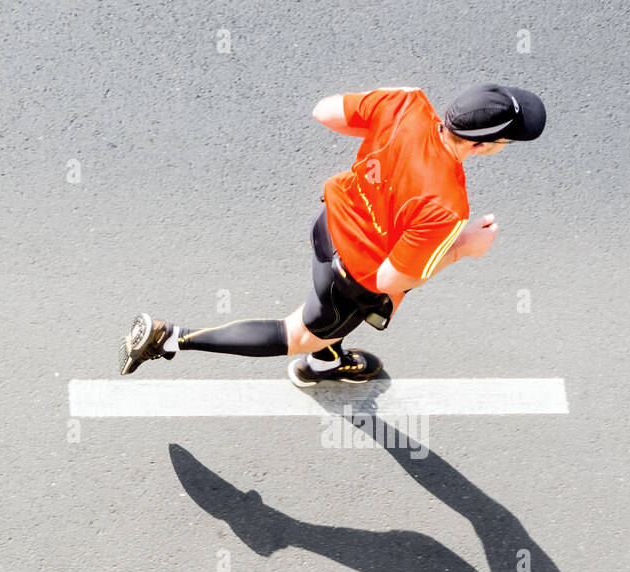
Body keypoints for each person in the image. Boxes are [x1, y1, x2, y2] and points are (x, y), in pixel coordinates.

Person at [118, 83, 546, 386]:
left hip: (329, 226)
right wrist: (465, 248)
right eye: (506, 142)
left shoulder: (406, 103)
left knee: (325, 319)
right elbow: (391, 281)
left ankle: (327, 361)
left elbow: (325, 111)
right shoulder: (446, 206)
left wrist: (385, 133)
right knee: (298, 334)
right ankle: (170, 338)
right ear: (480, 146)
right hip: (354, 277)